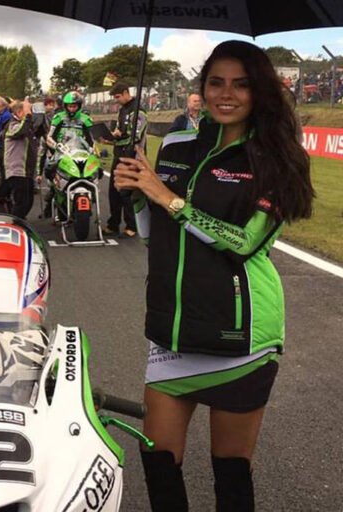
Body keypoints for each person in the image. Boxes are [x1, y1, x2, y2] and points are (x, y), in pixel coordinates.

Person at [113, 41, 314, 511]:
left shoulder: (275, 157)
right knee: (158, 462)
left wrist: (167, 198)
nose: (227, 94)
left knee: (231, 474)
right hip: (173, 331)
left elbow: (244, 242)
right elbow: (152, 238)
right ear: (201, 88)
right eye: (216, 82)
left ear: (259, 91)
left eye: (241, 84)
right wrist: (137, 193)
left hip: (241, 338)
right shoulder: (178, 146)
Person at [103, 82, 146, 238]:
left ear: (126, 92)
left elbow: (136, 136)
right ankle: (113, 224)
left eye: (118, 96)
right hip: (118, 154)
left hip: (132, 156)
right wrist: (112, 136)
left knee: (126, 192)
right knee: (113, 191)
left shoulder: (138, 111)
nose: (117, 100)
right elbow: (120, 131)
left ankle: (131, 225)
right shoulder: (122, 110)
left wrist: (115, 138)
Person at [4, 100, 36, 219]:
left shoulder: (26, 124)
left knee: (28, 202)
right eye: (28, 111)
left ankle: (20, 223)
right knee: (21, 203)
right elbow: (20, 131)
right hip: (16, 170)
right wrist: (27, 116)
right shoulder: (12, 124)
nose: (30, 113)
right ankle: (13, 225)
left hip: (26, 171)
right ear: (19, 112)